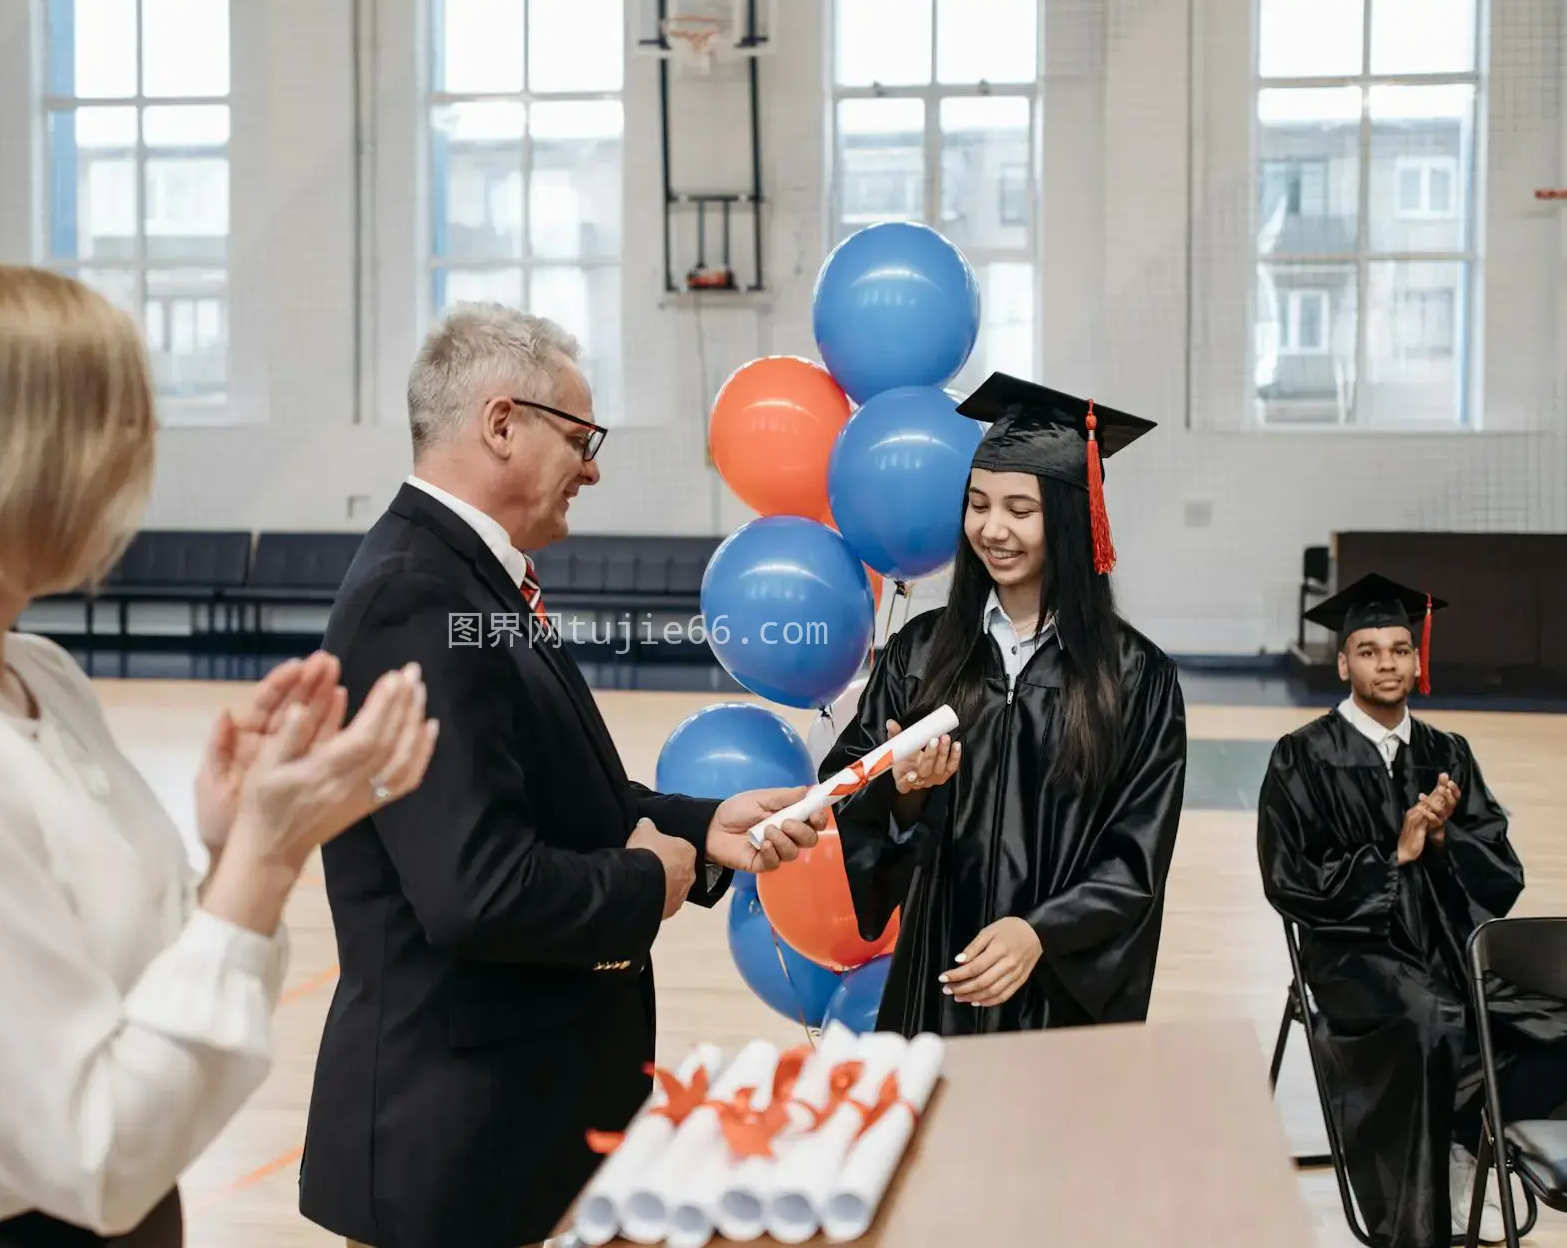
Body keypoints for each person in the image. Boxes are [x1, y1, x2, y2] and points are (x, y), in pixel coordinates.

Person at [0, 253, 437, 1248]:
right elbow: (92, 1153)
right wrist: (265, 862)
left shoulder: (33, 675)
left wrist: (230, 851)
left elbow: (139, 1010)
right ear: (10, 462)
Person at [296, 302, 825, 1248]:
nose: (594, 466)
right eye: (581, 437)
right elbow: (478, 890)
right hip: (454, 1141)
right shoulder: (419, 596)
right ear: (502, 424)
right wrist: (646, 879)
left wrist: (699, 829)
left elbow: (544, 794)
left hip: (508, 1122)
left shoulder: (465, 579)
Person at [820, 371, 1187, 1038]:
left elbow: (1138, 854)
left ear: (1072, 520)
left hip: (1055, 987)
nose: (992, 529)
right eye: (979, 504)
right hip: (940, 971)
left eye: (1021, 509)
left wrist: (1040, 930)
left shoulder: (1137, 677)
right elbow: (841, 793)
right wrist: (901, 796)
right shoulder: (922, 652)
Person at [1258, 572, 1567, 1244]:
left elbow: (1504, 875)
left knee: (1549, 1019)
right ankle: (1418, 1207)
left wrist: (1449, 836)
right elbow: (1288, 879)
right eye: (1369, 649)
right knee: (1427, 1018)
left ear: (1418, 657)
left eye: (1400, 647)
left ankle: (1466, 1146)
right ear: (1343, 662)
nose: (1388, 661)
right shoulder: (1302, 757)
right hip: (1355, 956)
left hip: (1450, 950)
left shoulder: (1446, 752)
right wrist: (1393, 855)